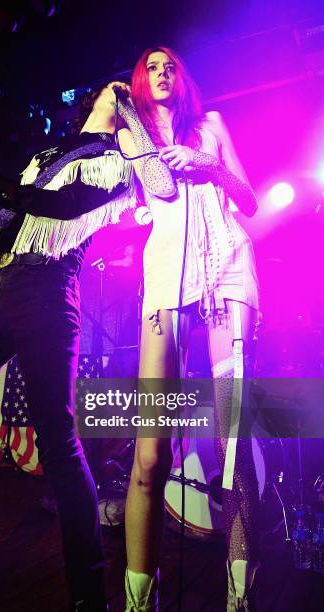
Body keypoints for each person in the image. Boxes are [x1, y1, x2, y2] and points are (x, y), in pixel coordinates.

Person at [0, 82, 134, 611]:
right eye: (117, 79)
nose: (123, 86)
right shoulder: (49, 152)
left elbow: (62, 207)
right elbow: (14, 217)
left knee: (58, 442)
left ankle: (88, 598)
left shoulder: (120, 160)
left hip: (50, 292)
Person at [116, 47, 260, 611]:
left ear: (183, 76)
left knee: (231, 445)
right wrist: (128, 114)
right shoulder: (134, 139)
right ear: (138, 81)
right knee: (151, 455)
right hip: (166, 285)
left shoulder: (213, 126)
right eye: (149, 67)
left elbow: (246, 199)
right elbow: (163, 187)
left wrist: (212, 166)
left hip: (226, 271)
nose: (161, 73)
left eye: (169, 65)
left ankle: (239, 594)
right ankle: (138, 599)